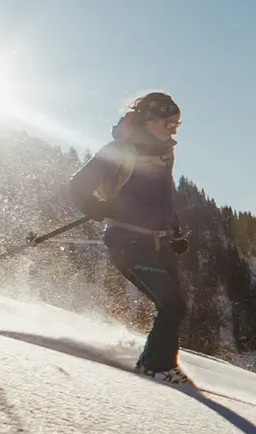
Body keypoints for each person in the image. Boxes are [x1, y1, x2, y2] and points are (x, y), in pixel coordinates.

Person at [69, 92, 191, 385]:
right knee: (173, 305)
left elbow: (161, 198)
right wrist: (98, 208)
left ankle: (163, 362)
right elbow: (78, 186)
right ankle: (154, 366)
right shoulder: (120, 150)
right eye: (168, 123)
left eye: (177, 124)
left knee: (176, 306)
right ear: (149, 119)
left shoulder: (164, 153)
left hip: (158, 244)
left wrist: (174, 231)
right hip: (128, 244)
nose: (173, 129)